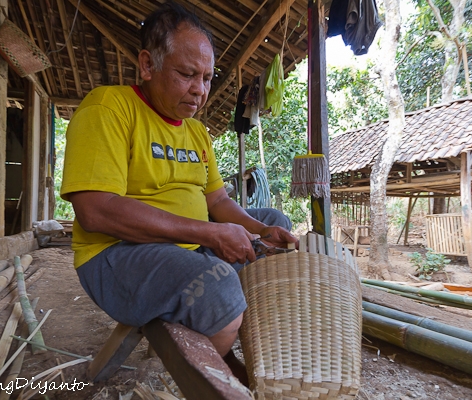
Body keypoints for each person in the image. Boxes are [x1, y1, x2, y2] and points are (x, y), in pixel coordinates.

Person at [60, 1, 297, 381]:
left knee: (272, 220)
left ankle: (232, 337)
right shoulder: (108, 109)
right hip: (116, 255)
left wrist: (258, 231)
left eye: (206, 77)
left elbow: (217, 201)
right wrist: (208, 232)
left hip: (183, 246)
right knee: (220, 289)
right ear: (147, 65)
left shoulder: (197, 132)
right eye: (187, 74)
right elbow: (96, 211)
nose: (199, 90)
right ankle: (208, 374)